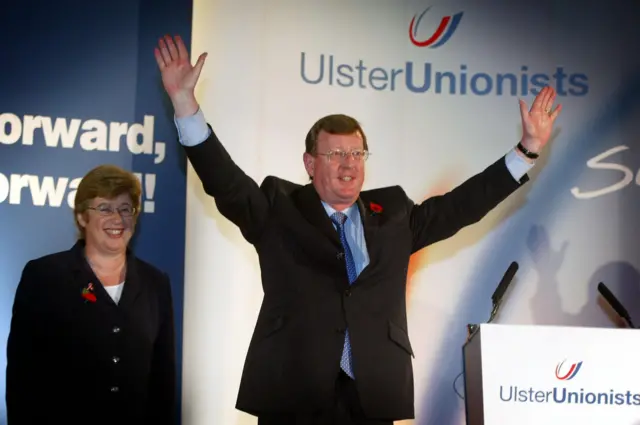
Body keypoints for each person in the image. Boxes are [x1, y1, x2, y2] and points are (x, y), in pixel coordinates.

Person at [154, 34, 561, 424]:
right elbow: (225, 181)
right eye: (335, 154)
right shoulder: (279, 208)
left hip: (372, 396)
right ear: (310, 164)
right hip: (293, 394)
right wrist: (185, 104)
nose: (349, 164)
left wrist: (525, 152)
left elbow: (461, 206)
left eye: (356, 153)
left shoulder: (395, 213)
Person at [5, 165, 176, 425]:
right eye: (105, 208)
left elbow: (162, 381)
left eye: (125, 209)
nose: (117, 219)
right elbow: (22, 377)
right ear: (82, 217)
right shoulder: (44, 277)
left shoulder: (156, 283)